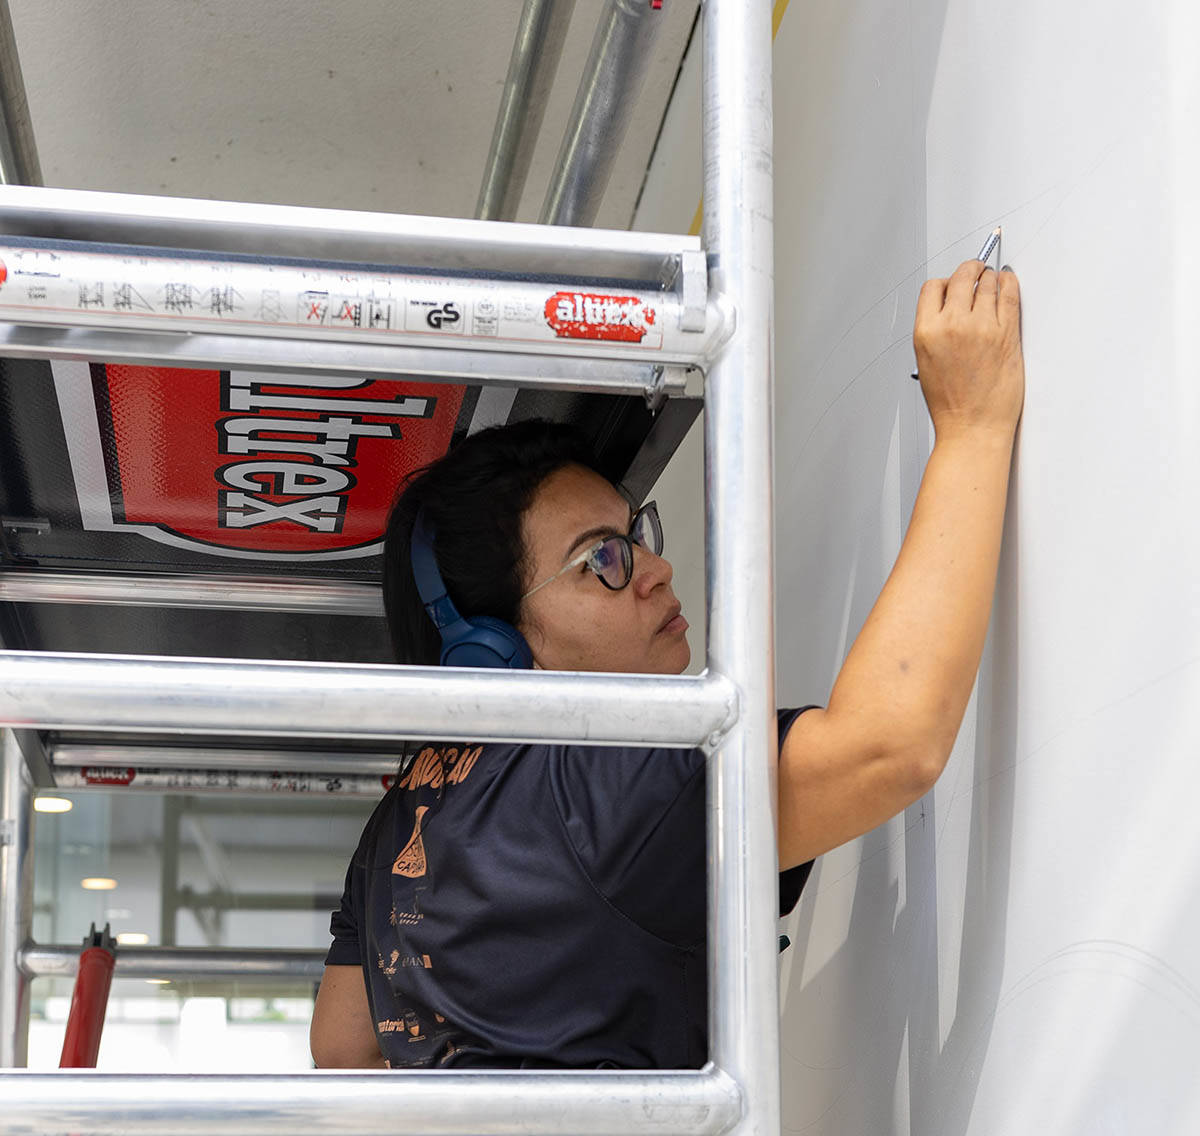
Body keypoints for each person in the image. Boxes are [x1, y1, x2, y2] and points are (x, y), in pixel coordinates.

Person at [309, 258, 1025, 1069]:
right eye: (600, 560)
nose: (654, 570)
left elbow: (342, 1050)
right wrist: (972, 425)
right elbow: (887, 747)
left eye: (634, 536)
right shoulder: (604, 784)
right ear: (496, 646)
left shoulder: (404, 817)